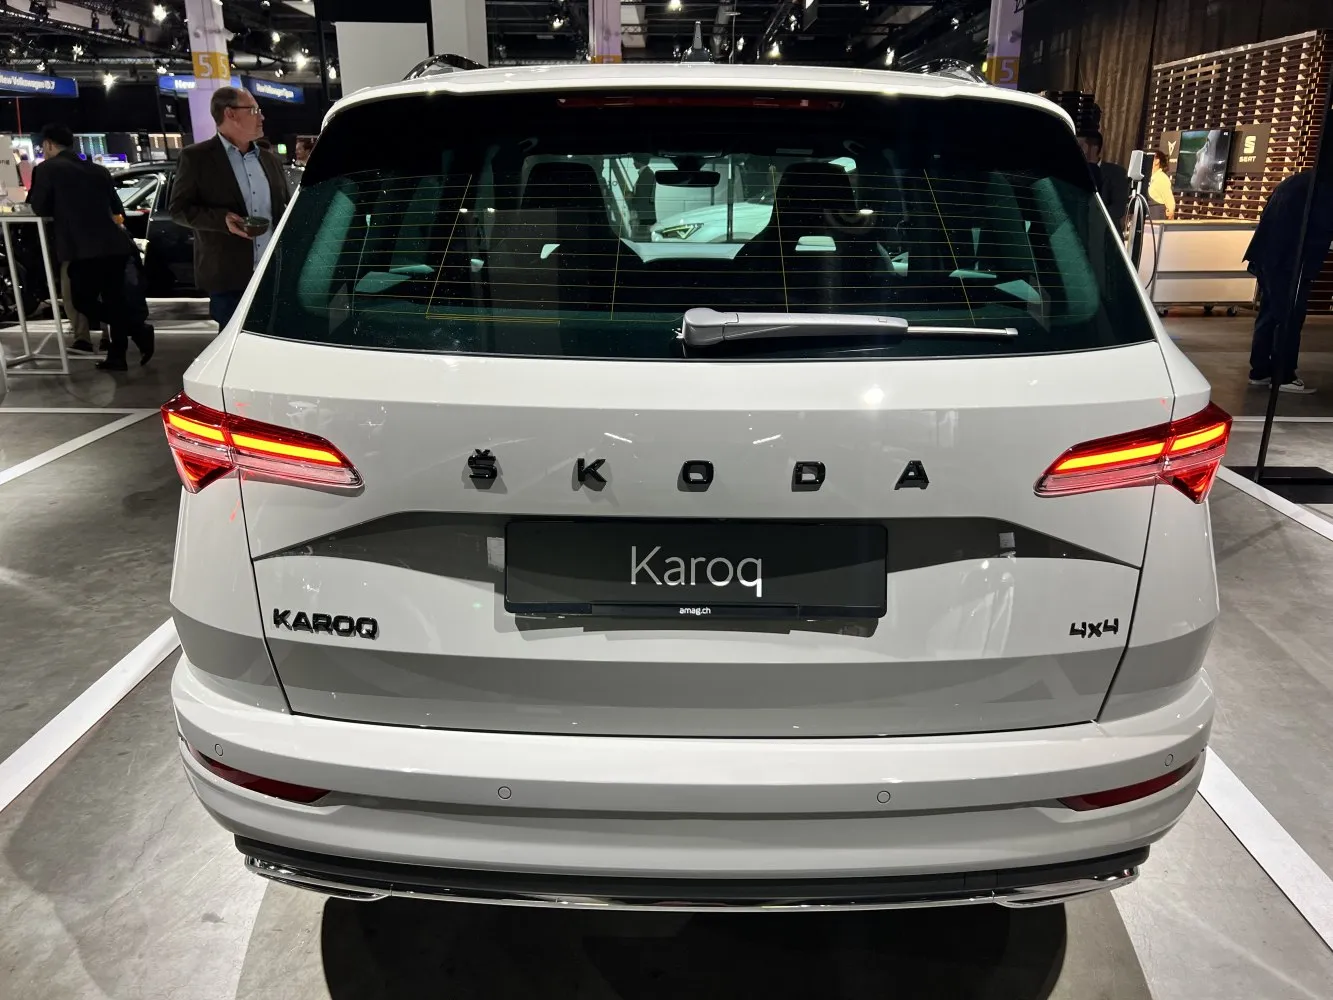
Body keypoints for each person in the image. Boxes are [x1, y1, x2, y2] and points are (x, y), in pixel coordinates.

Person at [26, 123, 153, 371]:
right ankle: (118, 355)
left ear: (49, 144)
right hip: (114, 246)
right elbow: (117, 208)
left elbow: (39, 207)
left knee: (82, 301)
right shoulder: (98, 170)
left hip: (80, 248)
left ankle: (137, 329)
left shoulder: (47, 169)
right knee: (114, 300)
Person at [170, 86, 290, 329]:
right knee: (235, 344)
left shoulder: (269, 160)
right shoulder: (197, 158)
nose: (261, 116)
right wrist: (221, 220)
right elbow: (178, 209)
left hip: (273, 274)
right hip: (228, 276)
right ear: (230, 114)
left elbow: (283, 207)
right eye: (254, 110)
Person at [1245, 170, 1333, 394]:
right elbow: (1321, 227)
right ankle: (1284, 375)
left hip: (1267, 255)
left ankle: (1260, 371)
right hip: (1290, 262)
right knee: (1289, 317)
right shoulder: (1323, 188)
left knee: (1269, 314)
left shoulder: (1298, 180)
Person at [1077, 130, 1130, 231]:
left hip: (1104, 234)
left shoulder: (1116, 172)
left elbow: (1118, 209)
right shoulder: (1074, 172)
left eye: (1080, 146)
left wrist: (1091, 217)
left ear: (1094, 148)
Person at [1148, 150, 1176, 220]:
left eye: (1150, 157)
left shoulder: (1162, 178)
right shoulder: (1149, 177)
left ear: (1157, 161)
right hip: (1147, 217)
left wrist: (1170, 214)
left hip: (1156, 219)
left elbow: (1170, 203)